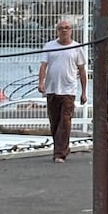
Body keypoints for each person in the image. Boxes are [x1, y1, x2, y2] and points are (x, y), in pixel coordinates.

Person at [37, 19, 87, 164]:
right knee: (55, 122)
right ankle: (59, 148)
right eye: (61, 28)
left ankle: (60, 153)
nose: (64, 30)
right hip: (52, 89)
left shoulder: (77, 48)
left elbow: (82, 70)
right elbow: (43, 66)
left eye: (67, 28)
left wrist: (84, 92)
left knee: (65, 121)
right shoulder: (49, 46)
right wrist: (41, 83)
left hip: (69, 90)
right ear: (57, 31)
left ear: (71, 30)